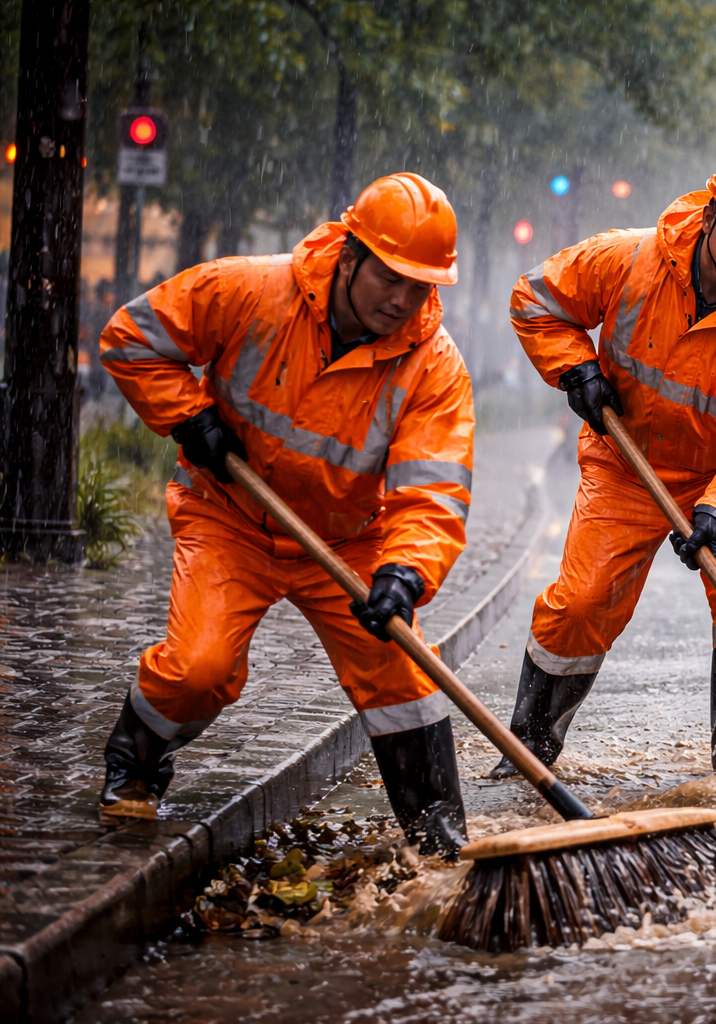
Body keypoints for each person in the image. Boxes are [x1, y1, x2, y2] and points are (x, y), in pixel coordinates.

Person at [96, 173, 474, 858]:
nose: (403, 300)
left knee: (404, 673)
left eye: (421, 287)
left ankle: (440, 840)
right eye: (391, 278)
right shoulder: (250, 292)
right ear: (351, 254)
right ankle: (137, 759)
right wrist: (190, 418)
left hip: (347, 541)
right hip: (230, 516)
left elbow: (434, 491)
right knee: (198, 668)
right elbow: (131, 339)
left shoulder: (433, 368)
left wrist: (405, 576)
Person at [495, 144, 716, 778]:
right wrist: (575, 369)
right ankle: (529, 751)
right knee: (583, 602)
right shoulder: (626, 261)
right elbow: (536, 302)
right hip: (627, 466)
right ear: (710, 215)